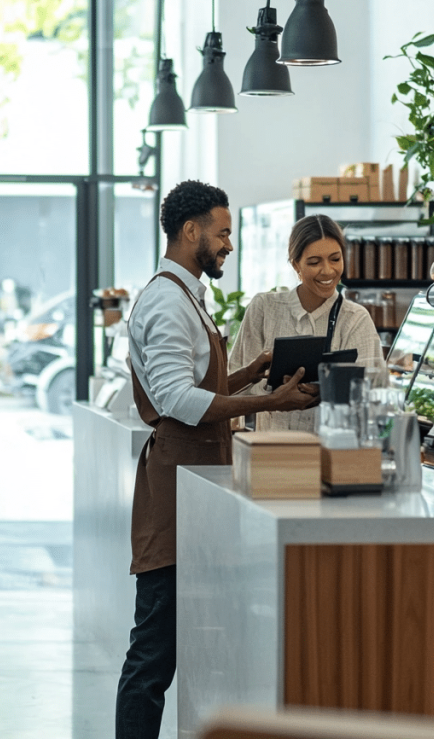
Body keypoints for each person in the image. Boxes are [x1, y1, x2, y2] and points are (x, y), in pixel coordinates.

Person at [116, 180, 315, 739]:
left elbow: (193, 382)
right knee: (153, 653)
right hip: (174, 491)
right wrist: (267, 401)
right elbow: (176, 399)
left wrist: (254, 371)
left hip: (196, 486)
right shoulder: (164, 300)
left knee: (181, 647)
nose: (229, 244)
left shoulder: (187, 294)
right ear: (190, 231)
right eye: (223, 232)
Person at [229, 214, 386, 432]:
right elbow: (235, 387)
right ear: (296, 265)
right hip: (271, 453)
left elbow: (375, 389)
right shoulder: (265, 308)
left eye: (335, 259)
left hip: (332, 454)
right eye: (314, 262)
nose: (328, 271)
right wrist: (274, 395)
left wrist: (327, 391)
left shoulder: (355, 318)